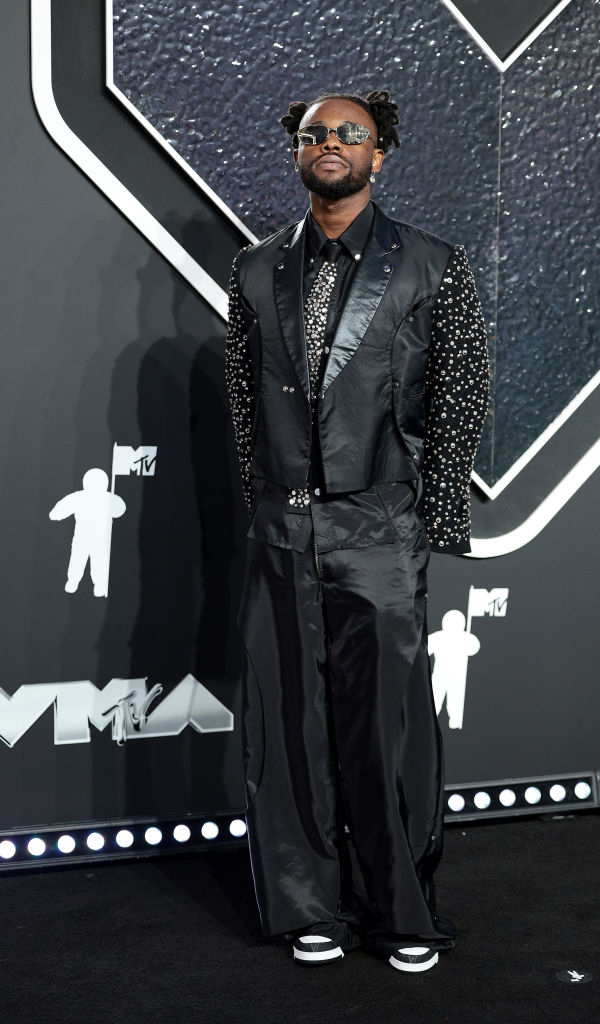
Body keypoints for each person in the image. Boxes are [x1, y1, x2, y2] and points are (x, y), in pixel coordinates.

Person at [225, 88, 490, 973]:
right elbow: (242, 400)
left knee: (386, 730)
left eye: (350, 133)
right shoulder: (253, 268)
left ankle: (399, 910)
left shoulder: (432, 263)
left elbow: (460, 396)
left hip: (378, 526)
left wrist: (430, 519)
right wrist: (262, 501)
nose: (330, 143)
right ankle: (309, 906)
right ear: (296, 152)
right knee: (287, 728)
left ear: (380, 154)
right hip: (281, 529)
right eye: (314, 133)